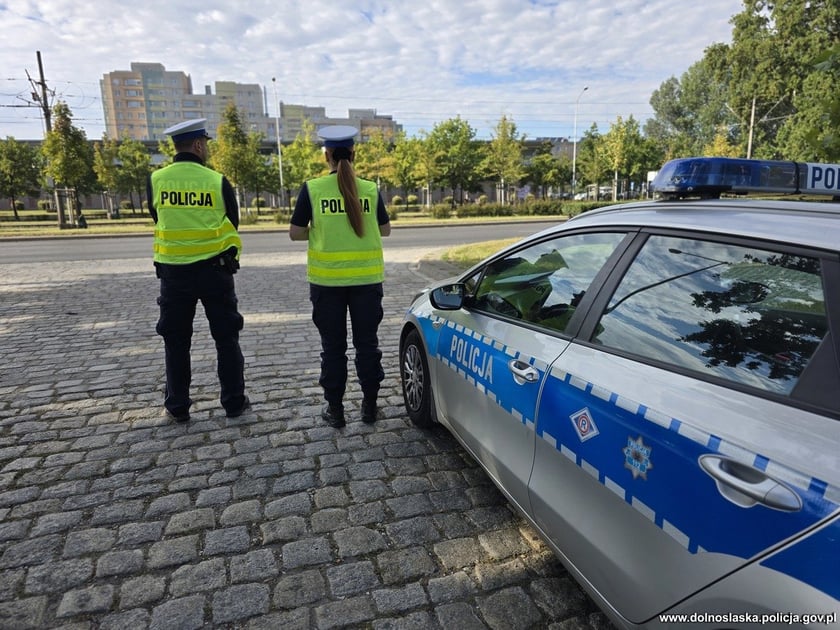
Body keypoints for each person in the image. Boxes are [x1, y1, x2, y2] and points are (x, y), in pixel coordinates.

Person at [146, 118, 250, 423]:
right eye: (205, 143)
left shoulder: (156, 180)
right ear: (198, 145)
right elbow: (233, 220)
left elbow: (157, 218)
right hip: (214, 272)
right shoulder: (216, 180)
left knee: (176, 341)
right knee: (226, 339)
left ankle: (177, 405)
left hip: (174, 275)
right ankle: (233, 402)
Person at [290, 125, 391, 428]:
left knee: (333, 348)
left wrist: (320, 229)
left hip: (327, 284)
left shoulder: (313, 189)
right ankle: (370, 408)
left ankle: (335, 411)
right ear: (354, 154)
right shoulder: (371, 189)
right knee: (367, 345)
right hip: (366, 283)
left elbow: (295, 233)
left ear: (327, 156)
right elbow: (385, 229)